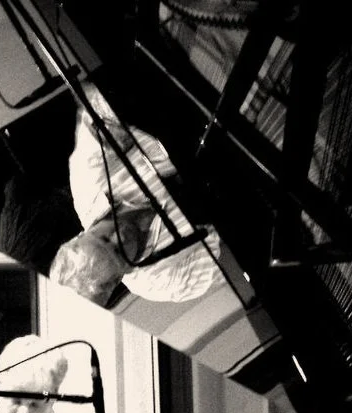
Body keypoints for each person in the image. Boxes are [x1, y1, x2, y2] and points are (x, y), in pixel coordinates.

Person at [49, 81, 224, 307]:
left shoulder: (88, 181)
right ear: (120, 277)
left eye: (104, 238)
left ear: (81, 236)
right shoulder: (162, 282)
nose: (120, 236)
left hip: (192, 102)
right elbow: (236, 252)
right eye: (118, 252)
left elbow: (96, 100)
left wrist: (118, 120)